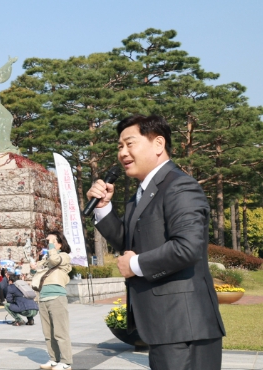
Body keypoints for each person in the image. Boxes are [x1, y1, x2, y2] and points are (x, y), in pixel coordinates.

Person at [87, 114, 224, 370]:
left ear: (158, 144)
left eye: (130, 143)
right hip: (164, 326)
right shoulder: (140, 196)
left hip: (183, 327)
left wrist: (135, 265)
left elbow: (188, 247)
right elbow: (128, 243)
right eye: (120, 146)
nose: (122, 153)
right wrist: (103, 208)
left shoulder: (179, 186)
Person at [33, 231, 73, 370]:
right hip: (43, 297)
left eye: (52, 241)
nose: (49, 244)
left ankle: (66, 362)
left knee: (60, 332)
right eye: (48, 241)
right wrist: (34, 268)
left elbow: (55, 260)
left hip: (57, 297)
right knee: (48, 333)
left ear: (60, 244)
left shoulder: (64, 256)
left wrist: (51, 246)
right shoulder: (47, 258)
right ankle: (54, 359)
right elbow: (37, 271)